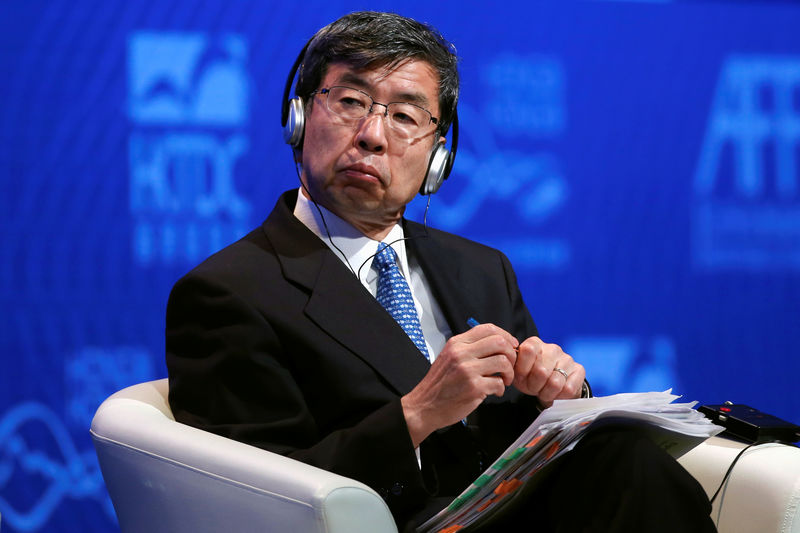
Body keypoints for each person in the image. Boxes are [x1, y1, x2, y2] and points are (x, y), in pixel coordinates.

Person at [166, 11, 716, 532]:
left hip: (520, 509)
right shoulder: (229, 293)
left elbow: (527, 431)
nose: (373, 136)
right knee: (628, 473)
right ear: (300, 118)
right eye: (352, 101)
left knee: (628, 461)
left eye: (405, 116)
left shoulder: (480, 268)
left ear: (437, 159)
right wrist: (417, 413)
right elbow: (256, 497)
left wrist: (560, 393)